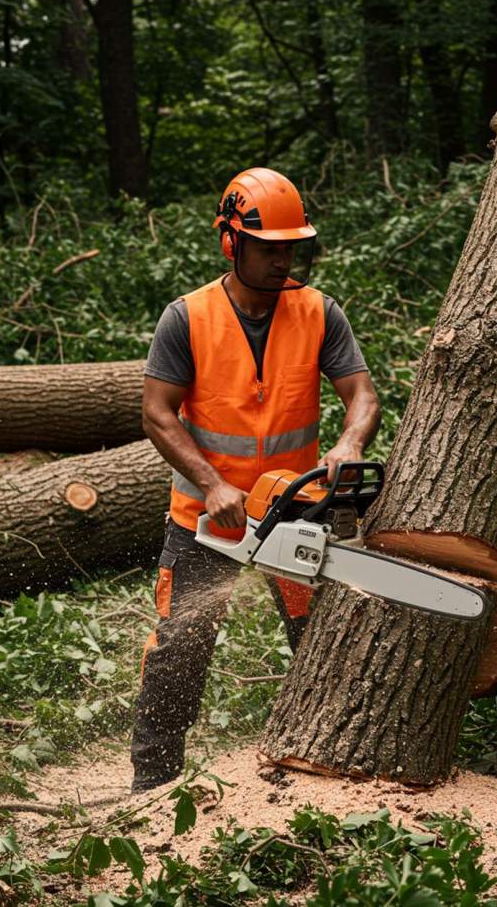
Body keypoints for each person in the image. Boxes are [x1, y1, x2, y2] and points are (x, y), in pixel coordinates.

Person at [131, 167, 381, 792]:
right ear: (231, 242)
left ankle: (326, 767)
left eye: (290, 246)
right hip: (205, 518)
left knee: (321, 645)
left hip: (295, 510)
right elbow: (157, 414)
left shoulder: (319, 312)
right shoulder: (186, 318)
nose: (282, 259)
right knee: (178, 653)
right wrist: (211, 482)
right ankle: (153, 785)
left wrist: (350, 443)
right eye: (269, 247)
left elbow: (363, 396)